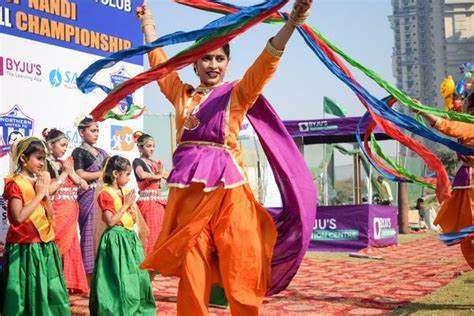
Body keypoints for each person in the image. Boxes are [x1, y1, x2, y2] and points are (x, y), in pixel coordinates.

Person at [137, 0, 313, 314]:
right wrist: (147, 22)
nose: (213, 64)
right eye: (206, 58)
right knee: (193, 265)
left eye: (220, 58)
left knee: (241, 259)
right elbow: (159, 64)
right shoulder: (182, 95)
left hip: (231, 193)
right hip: (190, 196)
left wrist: (294, 21)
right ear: (194, 64)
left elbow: (267, 61)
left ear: (228, 63)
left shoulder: (237, 93)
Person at [1, 137, 70, 315]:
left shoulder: (38, 180)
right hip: (24, 248)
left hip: (44, 245)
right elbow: (18, 217)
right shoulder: (15, 183)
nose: (42, 163)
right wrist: (40, 195)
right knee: (25, 292)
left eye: (44, 158)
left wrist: (45, 191)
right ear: (23, 159)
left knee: (48, 290)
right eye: (38, 158)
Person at [89, 155, 156, 315]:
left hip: (129, 238)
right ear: (115, 174)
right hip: (115, 240)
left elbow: (132, 218)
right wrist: (126, 205)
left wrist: (131, 209)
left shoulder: (124, 191)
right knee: (117, 277)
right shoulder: (105, 193)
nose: (128, 178)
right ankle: (116, 308)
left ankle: (136, 307)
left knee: (137, 276)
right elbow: (110, 221)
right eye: (126, 174)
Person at [416, 92, 474, 267]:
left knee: (466, 232)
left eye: (463, 105)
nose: (460, 107)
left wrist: (422, 111)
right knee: (465, 234)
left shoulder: (470, 127)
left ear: (471, 111)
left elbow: (447, 126)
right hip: (465, 185)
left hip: (470, 188)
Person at [43, 128, 89, 294]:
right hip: (55, 214)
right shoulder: (44, 164)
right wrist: (64, 175)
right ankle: (51, 286)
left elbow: (83, 185)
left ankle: (67, 286)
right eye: (62, 145)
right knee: (55, 247)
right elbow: (47, 190)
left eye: (66, 145)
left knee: (70, 248)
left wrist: (70, 173)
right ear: (50, 145)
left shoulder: (65, 164)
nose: (64, 149)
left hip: (69, 215)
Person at [71, 116, 108, 278]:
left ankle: (105, 270)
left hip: (104, 196)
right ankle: (89, 276)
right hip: (88, 196)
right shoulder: (78, 152)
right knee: (89, 234)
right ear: (81, 132)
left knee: (106, 231)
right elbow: (79, 174)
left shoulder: (102, 152)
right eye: (92, 131)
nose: (96, 134)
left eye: (97, 131)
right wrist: (103, 173)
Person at [132, 132, 167, 260]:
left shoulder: (155, 163)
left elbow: (167, 175)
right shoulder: (137, 162)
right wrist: (157, 176)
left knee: (159, 234)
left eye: (153, 146)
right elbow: (141, 175)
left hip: (157, 204)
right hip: (147, 204)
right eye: (148, 146)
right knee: (147, 236)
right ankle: (144, 266)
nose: (152, 149)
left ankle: (155, 266)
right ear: (140, 147)